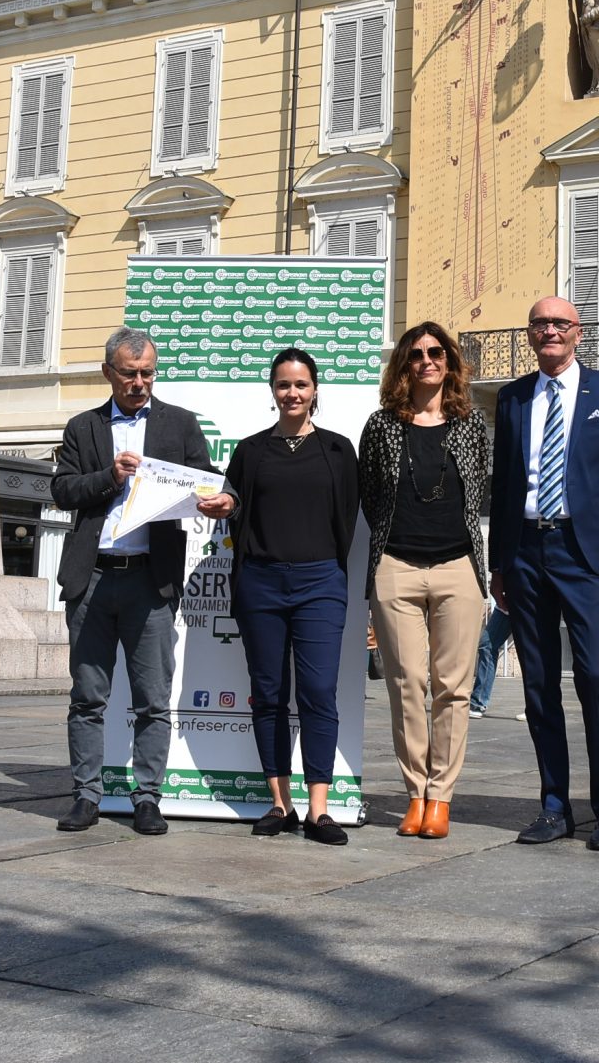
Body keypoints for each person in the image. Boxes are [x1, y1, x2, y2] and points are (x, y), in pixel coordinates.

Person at [50, 326, 230, 836]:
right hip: (92, 579)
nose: (139, 383)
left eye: (147, 373)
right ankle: (86, 796)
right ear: (108, 372)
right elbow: (62, 490)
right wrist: (110, 477)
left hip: (151, 582)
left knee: (153, 700)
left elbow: (211, 480)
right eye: (129, 374)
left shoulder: (179, 423)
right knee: (88, 698)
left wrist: (225, 501)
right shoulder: (83, 427)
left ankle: (148, 797)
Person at [490, 296, 599, 852]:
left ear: (578, 332)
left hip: (585, 553)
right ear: (530, 335)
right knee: (538, 683)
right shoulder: (512, 398)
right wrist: (499, 563)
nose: (549, 330)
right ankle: (554, 806)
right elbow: (504, 485)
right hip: (526, 551)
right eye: (539, 323)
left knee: (596, 676)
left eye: (559, 323)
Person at [359, 322, 492, 841]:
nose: (427, 361)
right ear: (404, 365)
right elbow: (370, 495)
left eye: (436, 353)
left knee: (454, 689)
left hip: (458, 566)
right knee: (407, 684)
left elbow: (479, 491)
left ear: (449, 362)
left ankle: (441, 798)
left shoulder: (470, 423)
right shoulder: (381, 425)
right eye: (416, 354)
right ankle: (415, 792)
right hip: (396, 567)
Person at [222, 349, 361, 845]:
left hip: (321, 582)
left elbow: (348, 516)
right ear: (272, 390)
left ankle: (319, 811)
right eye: (284, 384)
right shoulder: (250, 451)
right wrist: (224, 503)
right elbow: (233, 502)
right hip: (260, 582)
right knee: (269, 693)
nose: (292, 393)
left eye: (301, 384)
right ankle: (280, 804)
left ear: (315, 389)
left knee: (319, 692)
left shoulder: (339, 450)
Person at [469, 597, 514, 719]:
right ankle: (478, 702)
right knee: (487, 646)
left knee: (530, 652)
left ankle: (537, 706)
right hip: (506, 602)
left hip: (525, 600)